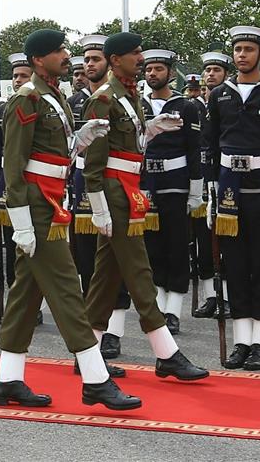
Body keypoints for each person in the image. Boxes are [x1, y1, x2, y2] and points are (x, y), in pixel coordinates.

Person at [0, 29, 139, 410]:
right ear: (39, 60)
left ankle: (8, 379)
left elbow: (54, 155)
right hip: (37, 208)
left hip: (53, 201)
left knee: (26, 296)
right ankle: (95, 379)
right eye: (59, 51)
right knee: (67, 290)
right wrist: (22, 223)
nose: (66, 55)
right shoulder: (25, 99)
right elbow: (14, 167)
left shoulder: (52, 95)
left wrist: (81, 138)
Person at [82, 32, 208, 381]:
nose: (141, 58)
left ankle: (86, 352)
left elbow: (128, 141)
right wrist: (98, 207)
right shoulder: (103, 99)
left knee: (106, 278)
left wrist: (150, 129)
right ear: (115, 59)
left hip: (129, 188)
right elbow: (94, 161)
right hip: (113, 192)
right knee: (139, 271)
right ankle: (166, 352)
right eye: (135, 53)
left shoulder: (128, 96)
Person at [203, 26, 260, 370]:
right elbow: (209, 145)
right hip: (228, 190)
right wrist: (210, 190)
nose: (242, 55)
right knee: (235, 264)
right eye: (238, 49)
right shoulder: (220, 95)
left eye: (248, 49)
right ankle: (241, 340)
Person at [68, 35, 131, 359]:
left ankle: (114, 332)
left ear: (110, 62)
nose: (89, 65)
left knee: (115, 259)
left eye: (96, 59)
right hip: (81, 183)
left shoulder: (121, 99)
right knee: (86, 258)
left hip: (113, 183)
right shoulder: (73, 102)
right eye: (86, 60)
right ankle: (91, 331)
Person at [139, 49, 202, 335]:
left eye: (158, 69)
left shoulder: (186, 106)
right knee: (151, 247)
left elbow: (194, 148)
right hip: (144, 185)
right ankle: (158, 307)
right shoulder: (136, 105)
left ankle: (173, 310)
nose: (152, 74)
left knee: (176, 246)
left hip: (175, 183)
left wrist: (195, 190)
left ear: (170, 72)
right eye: (149, 69)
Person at [191, 49, 233, 319]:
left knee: (226, 244)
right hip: (199, 180)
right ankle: (210, 296)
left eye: (216, 70)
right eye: (208, 70)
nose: (210, 74)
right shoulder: (192, 105)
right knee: (202, 244)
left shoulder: (230, 102)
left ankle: (226, 297)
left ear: (225, 75)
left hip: (224, 179)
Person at [0, 52, 33, 296]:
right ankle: (14, 292)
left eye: (24, 75)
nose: (18, 80)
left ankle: (35, 302)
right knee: (11, 244)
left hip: (39, 184)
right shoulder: (2, 110)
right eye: (15, 76)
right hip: (9, 183)